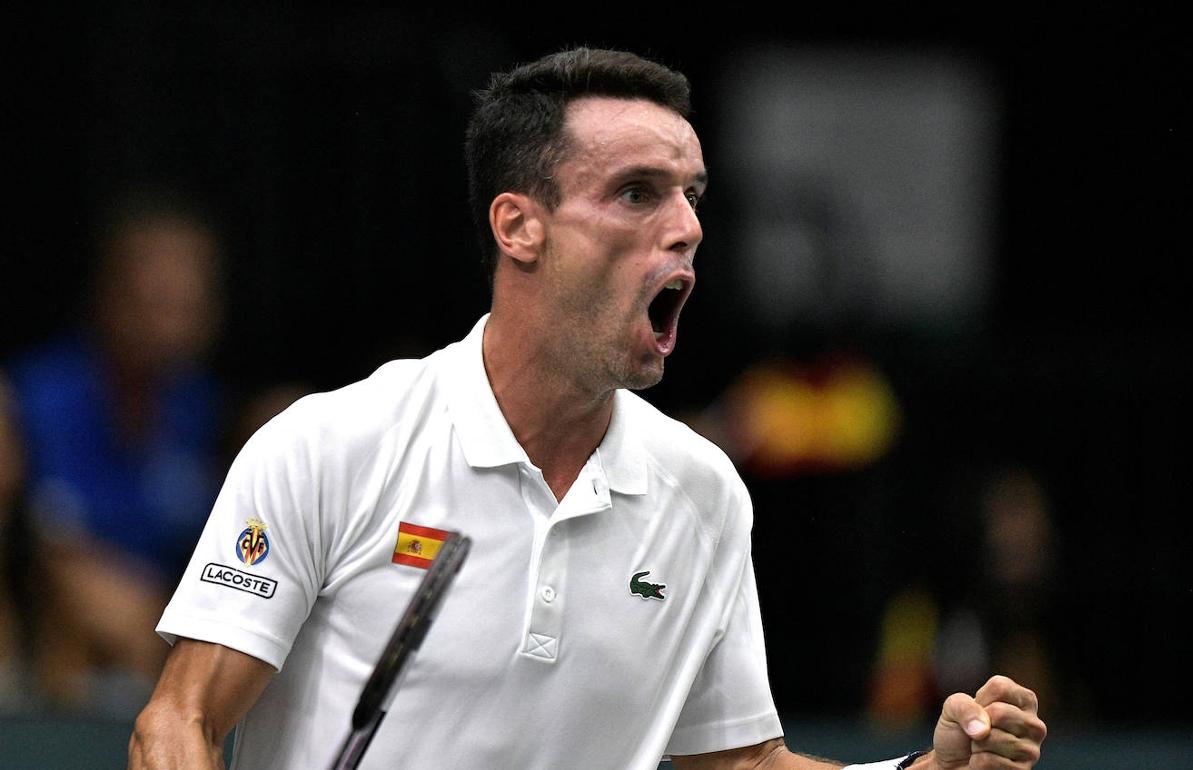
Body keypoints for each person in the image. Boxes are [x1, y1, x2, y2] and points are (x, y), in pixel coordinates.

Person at [128, 48, 1045, 770]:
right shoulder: (328, 448)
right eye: (637, 193)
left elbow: (742, 762)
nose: (684, 224)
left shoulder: (703, 493)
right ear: (518, 225)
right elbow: (181, 720)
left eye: (691, 196)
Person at [10, 185, 225, 711]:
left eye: (185, 302)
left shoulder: (208, 414)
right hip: (54, 647)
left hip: (174, 645)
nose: (167, 320)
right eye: (154, 299)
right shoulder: (37, 398)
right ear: (109, 293)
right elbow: (47, 551)